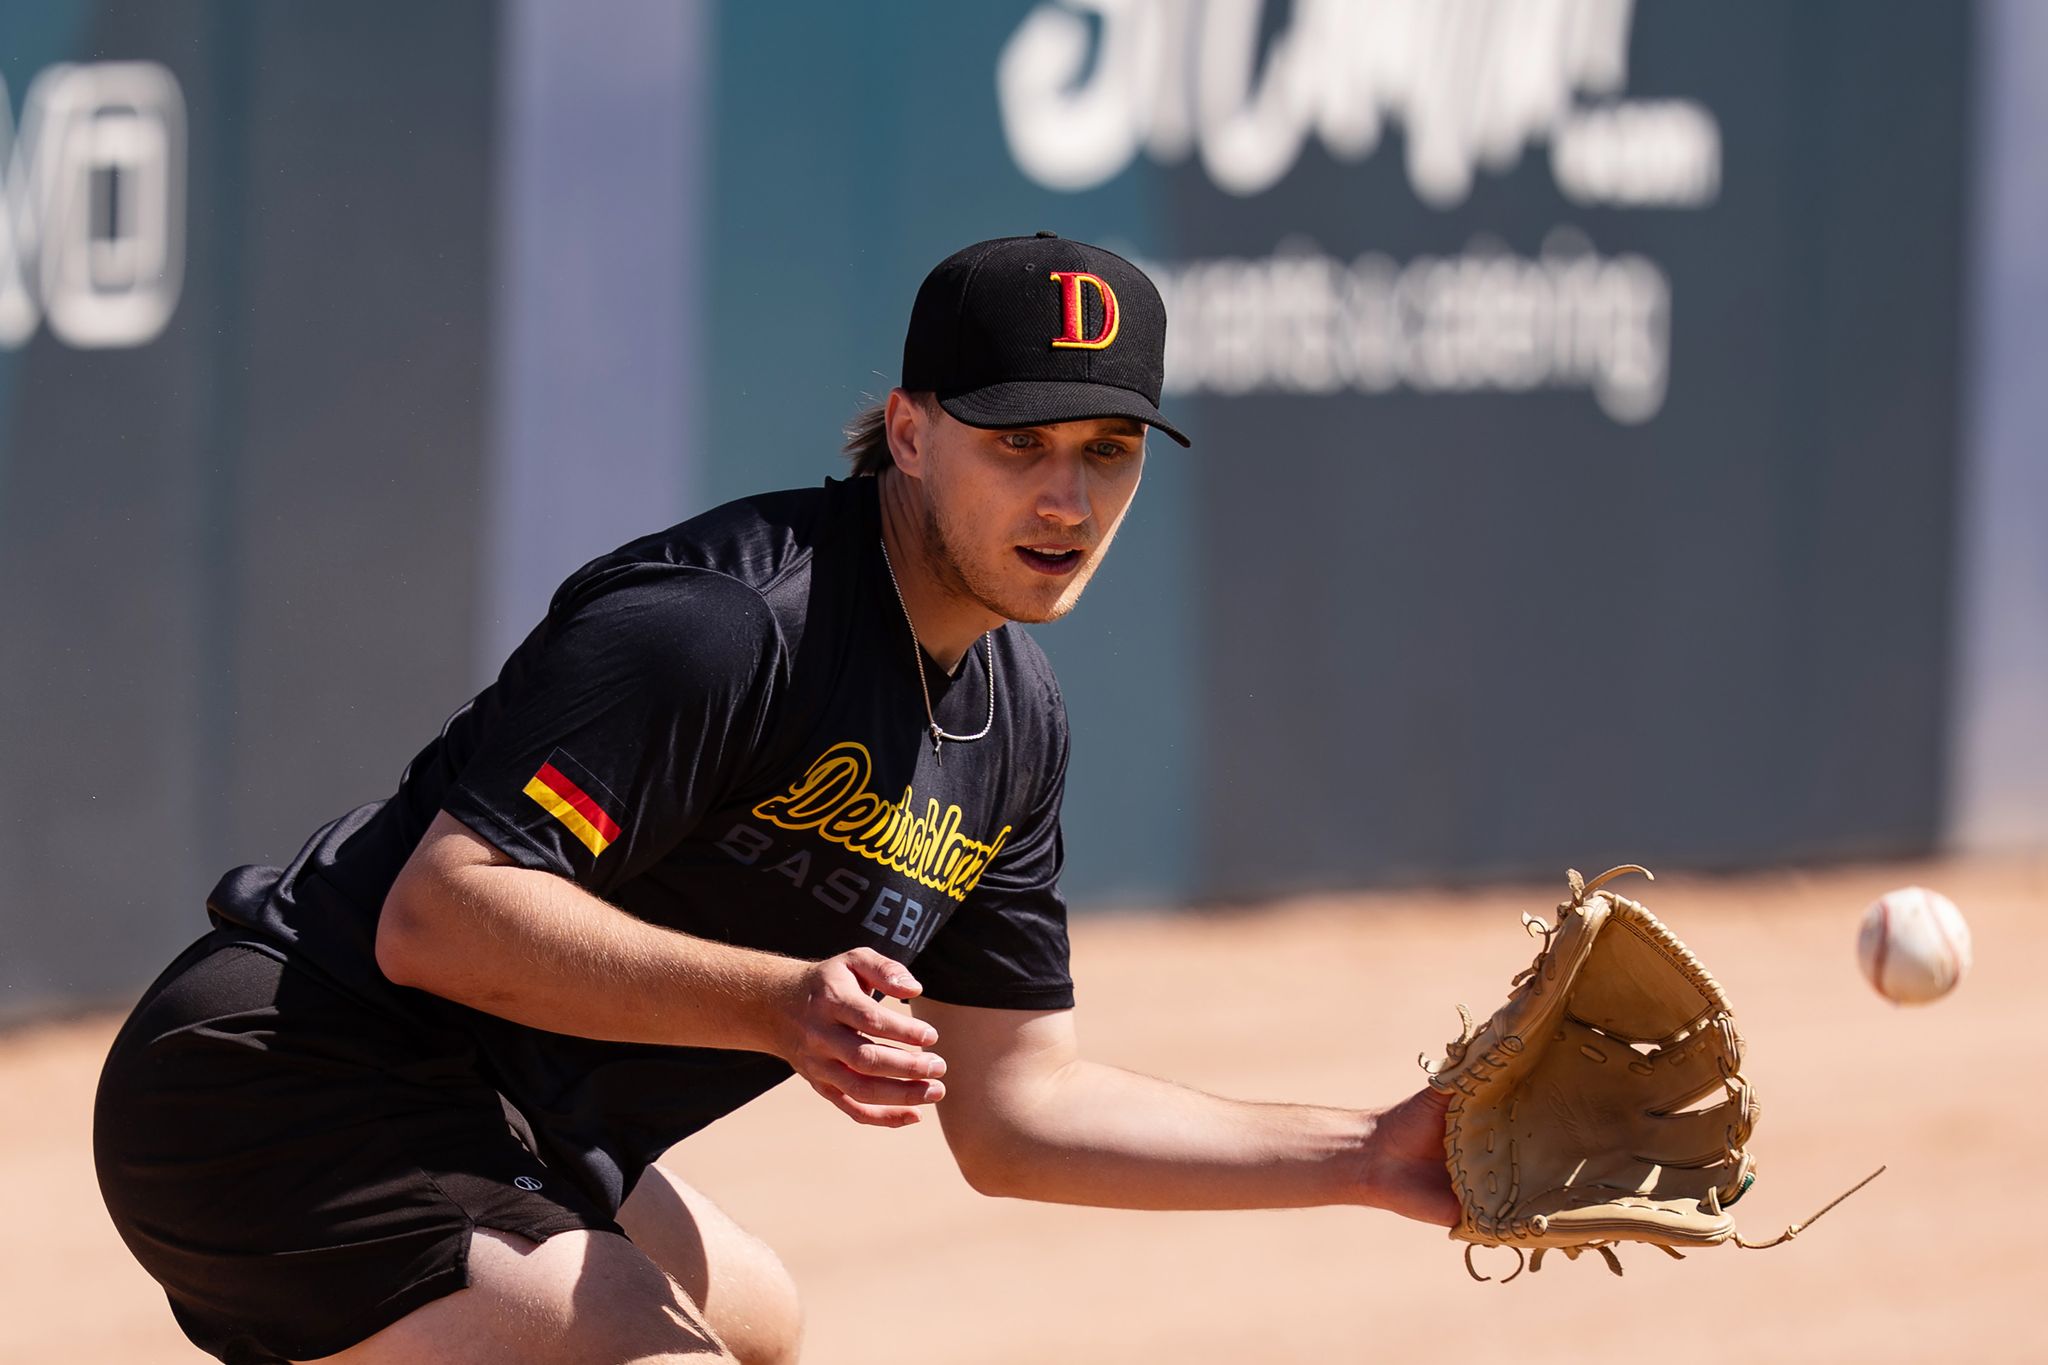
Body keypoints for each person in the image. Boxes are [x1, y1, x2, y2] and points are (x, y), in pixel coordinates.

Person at [94, 233, 1456, 1365]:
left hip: (508, 1112)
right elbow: (438, 920)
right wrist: (777, 1000)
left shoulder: (1013, 722)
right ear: (911, 435)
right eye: (1019, 441)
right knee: (648, 1343)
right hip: (275, 1076)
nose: (1067, 495)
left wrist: (1371, 1155)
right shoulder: (729, 625)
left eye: (1109, 449)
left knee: (760, 1324)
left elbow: (1018, 1107)